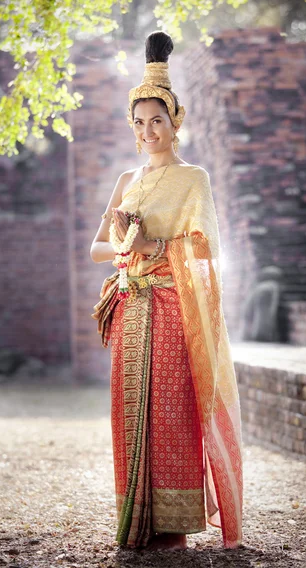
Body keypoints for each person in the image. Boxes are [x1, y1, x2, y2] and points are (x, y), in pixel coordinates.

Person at [90, 31, 243, 551]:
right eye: (139, 121)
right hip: (132, 307)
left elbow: (205, 249)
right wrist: (128, 244)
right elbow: (96, 249)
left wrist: (158, 245)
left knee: (171, 408)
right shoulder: (126, 180)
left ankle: (174, 527)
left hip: (173, 307)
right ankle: (138, 519)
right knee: (131, 409)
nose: (148, 129)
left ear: (175, 122)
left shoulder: (192, 178)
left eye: (157, 119)